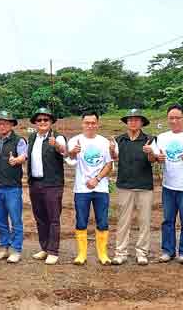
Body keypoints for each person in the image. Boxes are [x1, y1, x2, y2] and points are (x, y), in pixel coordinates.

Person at [151, 104, 183, 264]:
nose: (174, 121)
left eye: (177, 118)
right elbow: (156, 157)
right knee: (168, 220)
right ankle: (168, 251)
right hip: (169, 185)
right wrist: (157, 158)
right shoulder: (162, 137)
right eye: (171, 118)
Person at [67, 111, 114, 266]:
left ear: (97, 124)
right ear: (82, 124)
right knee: (81, 220)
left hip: (101, 188)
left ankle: (103, 254)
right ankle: (82, 254)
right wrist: (73, 153)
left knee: (102, 221)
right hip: (81, 189)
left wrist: (97, 179)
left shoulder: (104, 142)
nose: (90, 125)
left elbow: (109, 164)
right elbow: (71, 161)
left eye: (93, 123)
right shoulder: (75, 141)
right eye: (87, 122)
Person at [112, 109, 156, 266]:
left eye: (137, 120)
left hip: (144, 185)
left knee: (144, 220)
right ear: (126, 122)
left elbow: (153, 160)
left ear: (142, 122)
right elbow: (114, 158)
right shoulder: (119, 140)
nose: (133, 122)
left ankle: (142, 252)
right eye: (130, 120)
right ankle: (121, 252)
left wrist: (150, 152)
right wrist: (111, 150)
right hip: (124, 185)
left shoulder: (150, 140)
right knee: (123, 221)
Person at [27, 107, 67, 265]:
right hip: (35, 183)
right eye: (39, 120)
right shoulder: (32, 138)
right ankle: (44, 248)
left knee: (53, 218)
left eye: (46, 120)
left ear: (51, 122)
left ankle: (53, 251)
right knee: (40, 218)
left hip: (52, 184)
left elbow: (65, 152)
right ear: (35, 123)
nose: (42, 122)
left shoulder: (58, 137)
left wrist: (56, 145)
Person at [0, 111, 27, 264]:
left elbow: (24, 155)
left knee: (16, 219)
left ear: (11, 124)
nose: (2, 125)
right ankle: (3, 247)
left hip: (12, 187)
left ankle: (16, 250)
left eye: (5, 122)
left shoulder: (19, 140)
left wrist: (17, 160)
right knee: (0, 219)